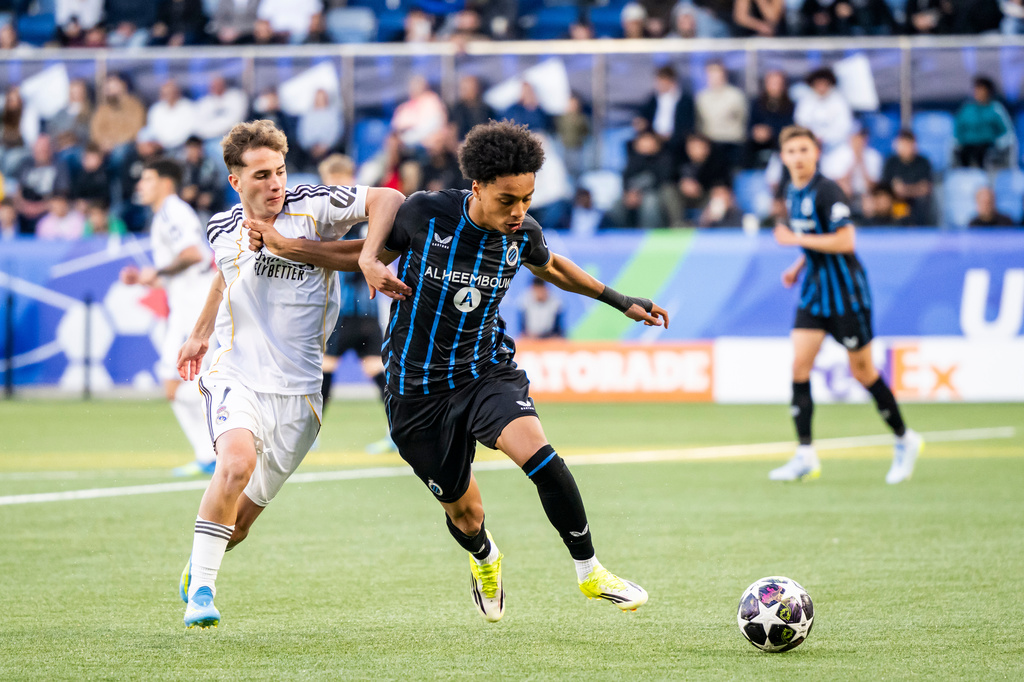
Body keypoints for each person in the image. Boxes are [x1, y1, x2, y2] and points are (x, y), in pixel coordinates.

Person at [246, 121, 669, 622]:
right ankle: (485, 557)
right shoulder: (425, 215)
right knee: (466, 514)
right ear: (478, 188)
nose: (519, 212)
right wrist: (290, 246)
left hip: (484, 371)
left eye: (527, 200)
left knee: (541, 457)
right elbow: (358, 255)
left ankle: (591, 570)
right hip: (416, 389)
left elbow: (552, 267)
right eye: (507, 200)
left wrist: (622, 302)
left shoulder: (522, 233)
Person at [174, 120, 406, 629]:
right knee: (234, 464)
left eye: (279, 171)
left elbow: (390, 199)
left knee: (237, 526)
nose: (275, 183)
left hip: (299, 394)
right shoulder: (221, 227)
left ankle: (201, 561)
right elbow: (224, 271)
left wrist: (367, 256)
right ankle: (204, 596)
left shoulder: (314, 205)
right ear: (236, 181)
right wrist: (199, 331)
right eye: (260, 175)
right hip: (236, 371)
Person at [771, 125, 922, 485]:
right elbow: (814, 241)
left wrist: (794, 239)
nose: (798, 157)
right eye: (791, 151)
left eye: (804, 150)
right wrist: (797, 265)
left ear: (816, 153)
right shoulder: (792, 190)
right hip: (814, 292)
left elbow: (846, 241)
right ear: (783, 157)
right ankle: (805, 453)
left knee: (863, 372)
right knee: (799, 366)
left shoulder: (827, 190)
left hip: (846, 296)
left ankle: (905, 439)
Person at [120, 158, 219, 478]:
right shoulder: (164, 215)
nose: (140, 185)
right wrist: (148, 278)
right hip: (186, 306)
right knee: (173, 384)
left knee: (180, 382)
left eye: (146, 179)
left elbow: (193, 254)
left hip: (196, 309)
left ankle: (222, 440)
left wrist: (158, 271)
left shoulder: (173, 211)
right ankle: (208, 454)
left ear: (165, 182)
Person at [317, 153, 396, 454]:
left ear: (352, 180)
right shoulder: (358, 217)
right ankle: (311, 433)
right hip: (346, 313)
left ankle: (397, 432)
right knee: (336, 372)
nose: (336, 187)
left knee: (367, 371)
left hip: (356, 313)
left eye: (341, 181)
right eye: (331, 181)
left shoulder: (363, 218)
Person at [954, 76, 1015, 169]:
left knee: (982, 153)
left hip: (988, 146)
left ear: (988, 91)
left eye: (981, 89)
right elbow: (957, 129)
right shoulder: (967, 109)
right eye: (976, 89)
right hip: (967, 146)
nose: (977, 92)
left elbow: (1006, 131)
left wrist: (999, 143)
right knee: (963, 155)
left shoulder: (996, 109)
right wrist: (958, 142)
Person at [881, 129, 934, 226]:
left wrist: (904, 190)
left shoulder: (923, 162)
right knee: (883, 200)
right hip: (896, 202)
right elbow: (884, 187)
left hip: (916, 204)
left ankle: (919, 229)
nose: (905, 147)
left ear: (914, 145)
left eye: (908, 144)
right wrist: (895, 191)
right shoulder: (891, 162)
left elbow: (925, 188)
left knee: (923, 201)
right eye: (902, 144)